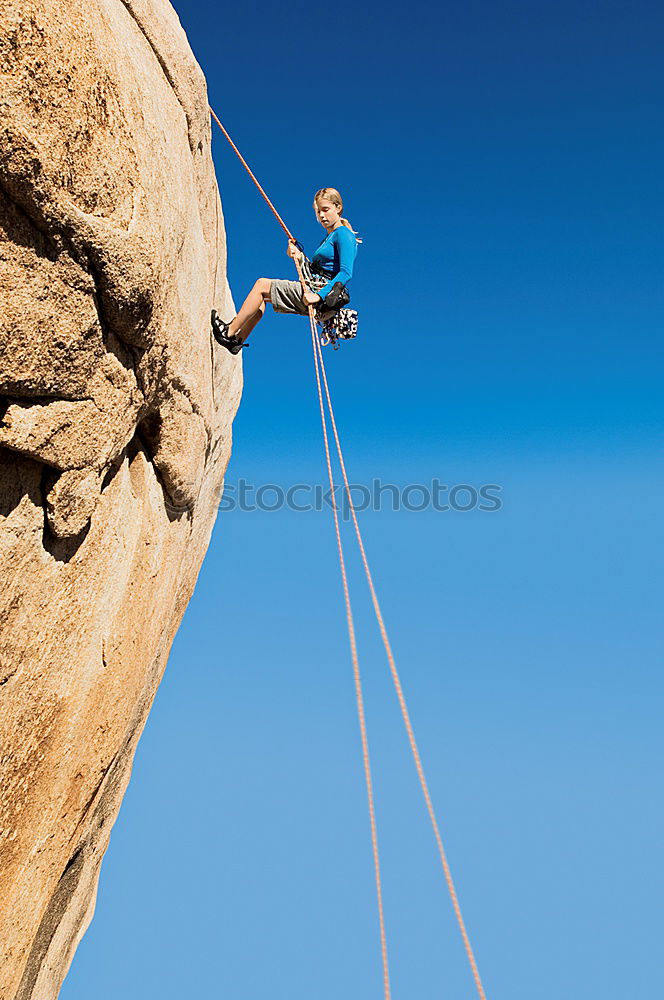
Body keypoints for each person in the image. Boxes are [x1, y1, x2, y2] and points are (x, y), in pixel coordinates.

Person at [211, 187, 361, 355]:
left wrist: (318, 296)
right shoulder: (331, 236)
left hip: (320, 295)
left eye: (326, 210)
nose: (322, 216)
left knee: (261, 285)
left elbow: (346, 272)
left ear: (338, 208)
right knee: (261, 298)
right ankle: (237, 340)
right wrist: (298, 255)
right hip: (315, 290)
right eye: (319, 212)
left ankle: (229, 331)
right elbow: (319, 270)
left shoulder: (343, 234)